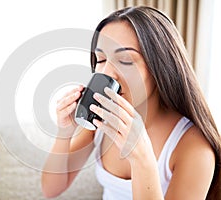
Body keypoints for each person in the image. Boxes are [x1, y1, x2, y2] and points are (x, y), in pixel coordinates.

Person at [41, 6, 221, 199]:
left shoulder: (194, 147)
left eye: (125, 60)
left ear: (160, 67)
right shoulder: (101, 119)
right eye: (100, 59)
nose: (106, 73)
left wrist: (141, 158)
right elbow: (51, 189)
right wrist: (64, 133)